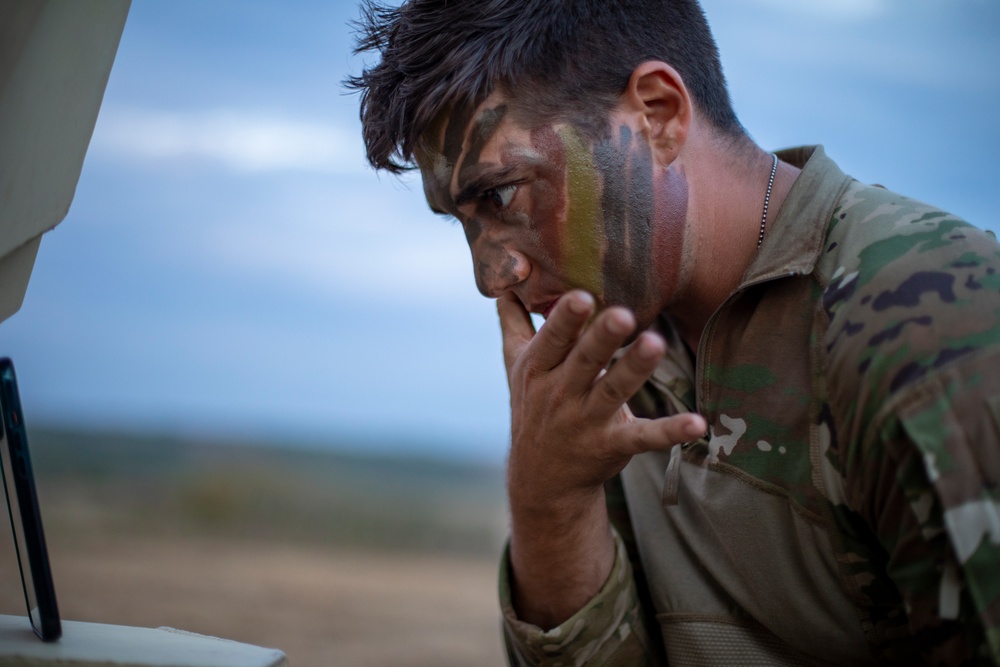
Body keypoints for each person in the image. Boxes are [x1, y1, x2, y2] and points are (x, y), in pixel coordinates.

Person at [347, 1, 1000, 664]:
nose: (491, 275)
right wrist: (550, 502)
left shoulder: (927, 317)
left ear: (658, 114)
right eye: (462, 221)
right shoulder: (611, 339)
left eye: (503, 194)